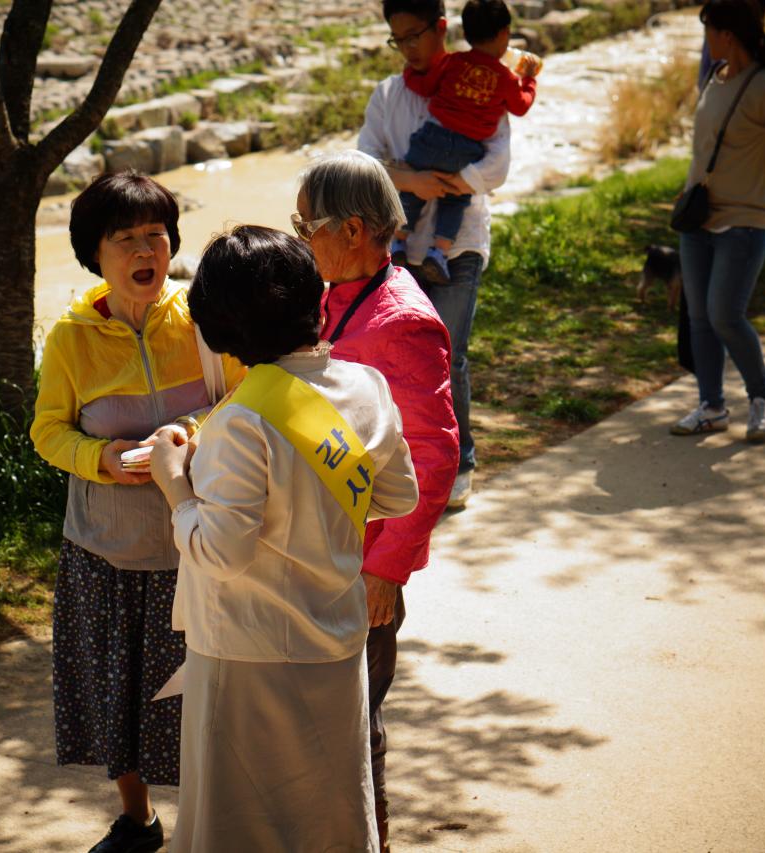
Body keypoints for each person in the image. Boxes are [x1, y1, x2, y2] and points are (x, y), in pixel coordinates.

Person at [147, 225, 420, 853]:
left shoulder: (241, 422)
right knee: (328, 810)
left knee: (240, 820)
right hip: (335, 637)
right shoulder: (366, 387)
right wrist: (320, 508)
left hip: (246, 650)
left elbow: (220, 551)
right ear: (313, 299)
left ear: (221, 327)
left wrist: (173, 483)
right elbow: (399, 495)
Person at [30, 171, 245, 853]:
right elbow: (47, 432)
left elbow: (244, 401)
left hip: (196, 548)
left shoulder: (204, 320)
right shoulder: (71, 338)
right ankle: (139, 821)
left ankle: (211, 827)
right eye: (125, 238)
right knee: (116, 697)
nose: (145, 249)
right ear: (94, 253)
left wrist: (192, 433)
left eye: (156, 233)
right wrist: (103, 457)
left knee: (208, 699)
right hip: (105, 553)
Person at [295, 150, 457, 852]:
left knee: (357, 733)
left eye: (306, 225)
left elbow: (434, 457)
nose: (300, 238)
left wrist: (386, 570)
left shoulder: (403, 322)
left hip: (362, 567)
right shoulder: (333, 293)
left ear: (354, 230)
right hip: (319, 552)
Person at [361, 0, 512, 509]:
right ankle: (411, 465)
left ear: (442, 28)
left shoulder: (479, 83)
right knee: (398, 359)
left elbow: (498, 166)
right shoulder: (388, 95)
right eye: (397, 39)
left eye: (414, 36)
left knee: (450, 355)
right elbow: (364, 163)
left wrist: (443, 183)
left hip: (459, 244)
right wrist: (413, 181)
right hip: (398, 249)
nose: (407, 49)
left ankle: (460, 461)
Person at [671, 0, 765, 444]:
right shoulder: (715, 79)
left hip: (745, 220)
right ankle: (712, 407)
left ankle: (760, 398)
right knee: (700, 318)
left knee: (726, 316)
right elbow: (706, 149)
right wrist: (690, 187)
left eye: (708, 32)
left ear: (727, 35)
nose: (706, 41)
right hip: (700, 219)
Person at [393, 0, 538, 285]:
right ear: (504, 34)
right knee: (456, 199)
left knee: (411, 191)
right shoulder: (507, 78)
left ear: (466, 33)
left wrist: (408, 72)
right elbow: (521, 106)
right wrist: (529, 81)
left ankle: (398, 243)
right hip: (466, 150)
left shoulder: (453, 62)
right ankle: (439, 252)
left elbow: (425, 86)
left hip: (432, 138)